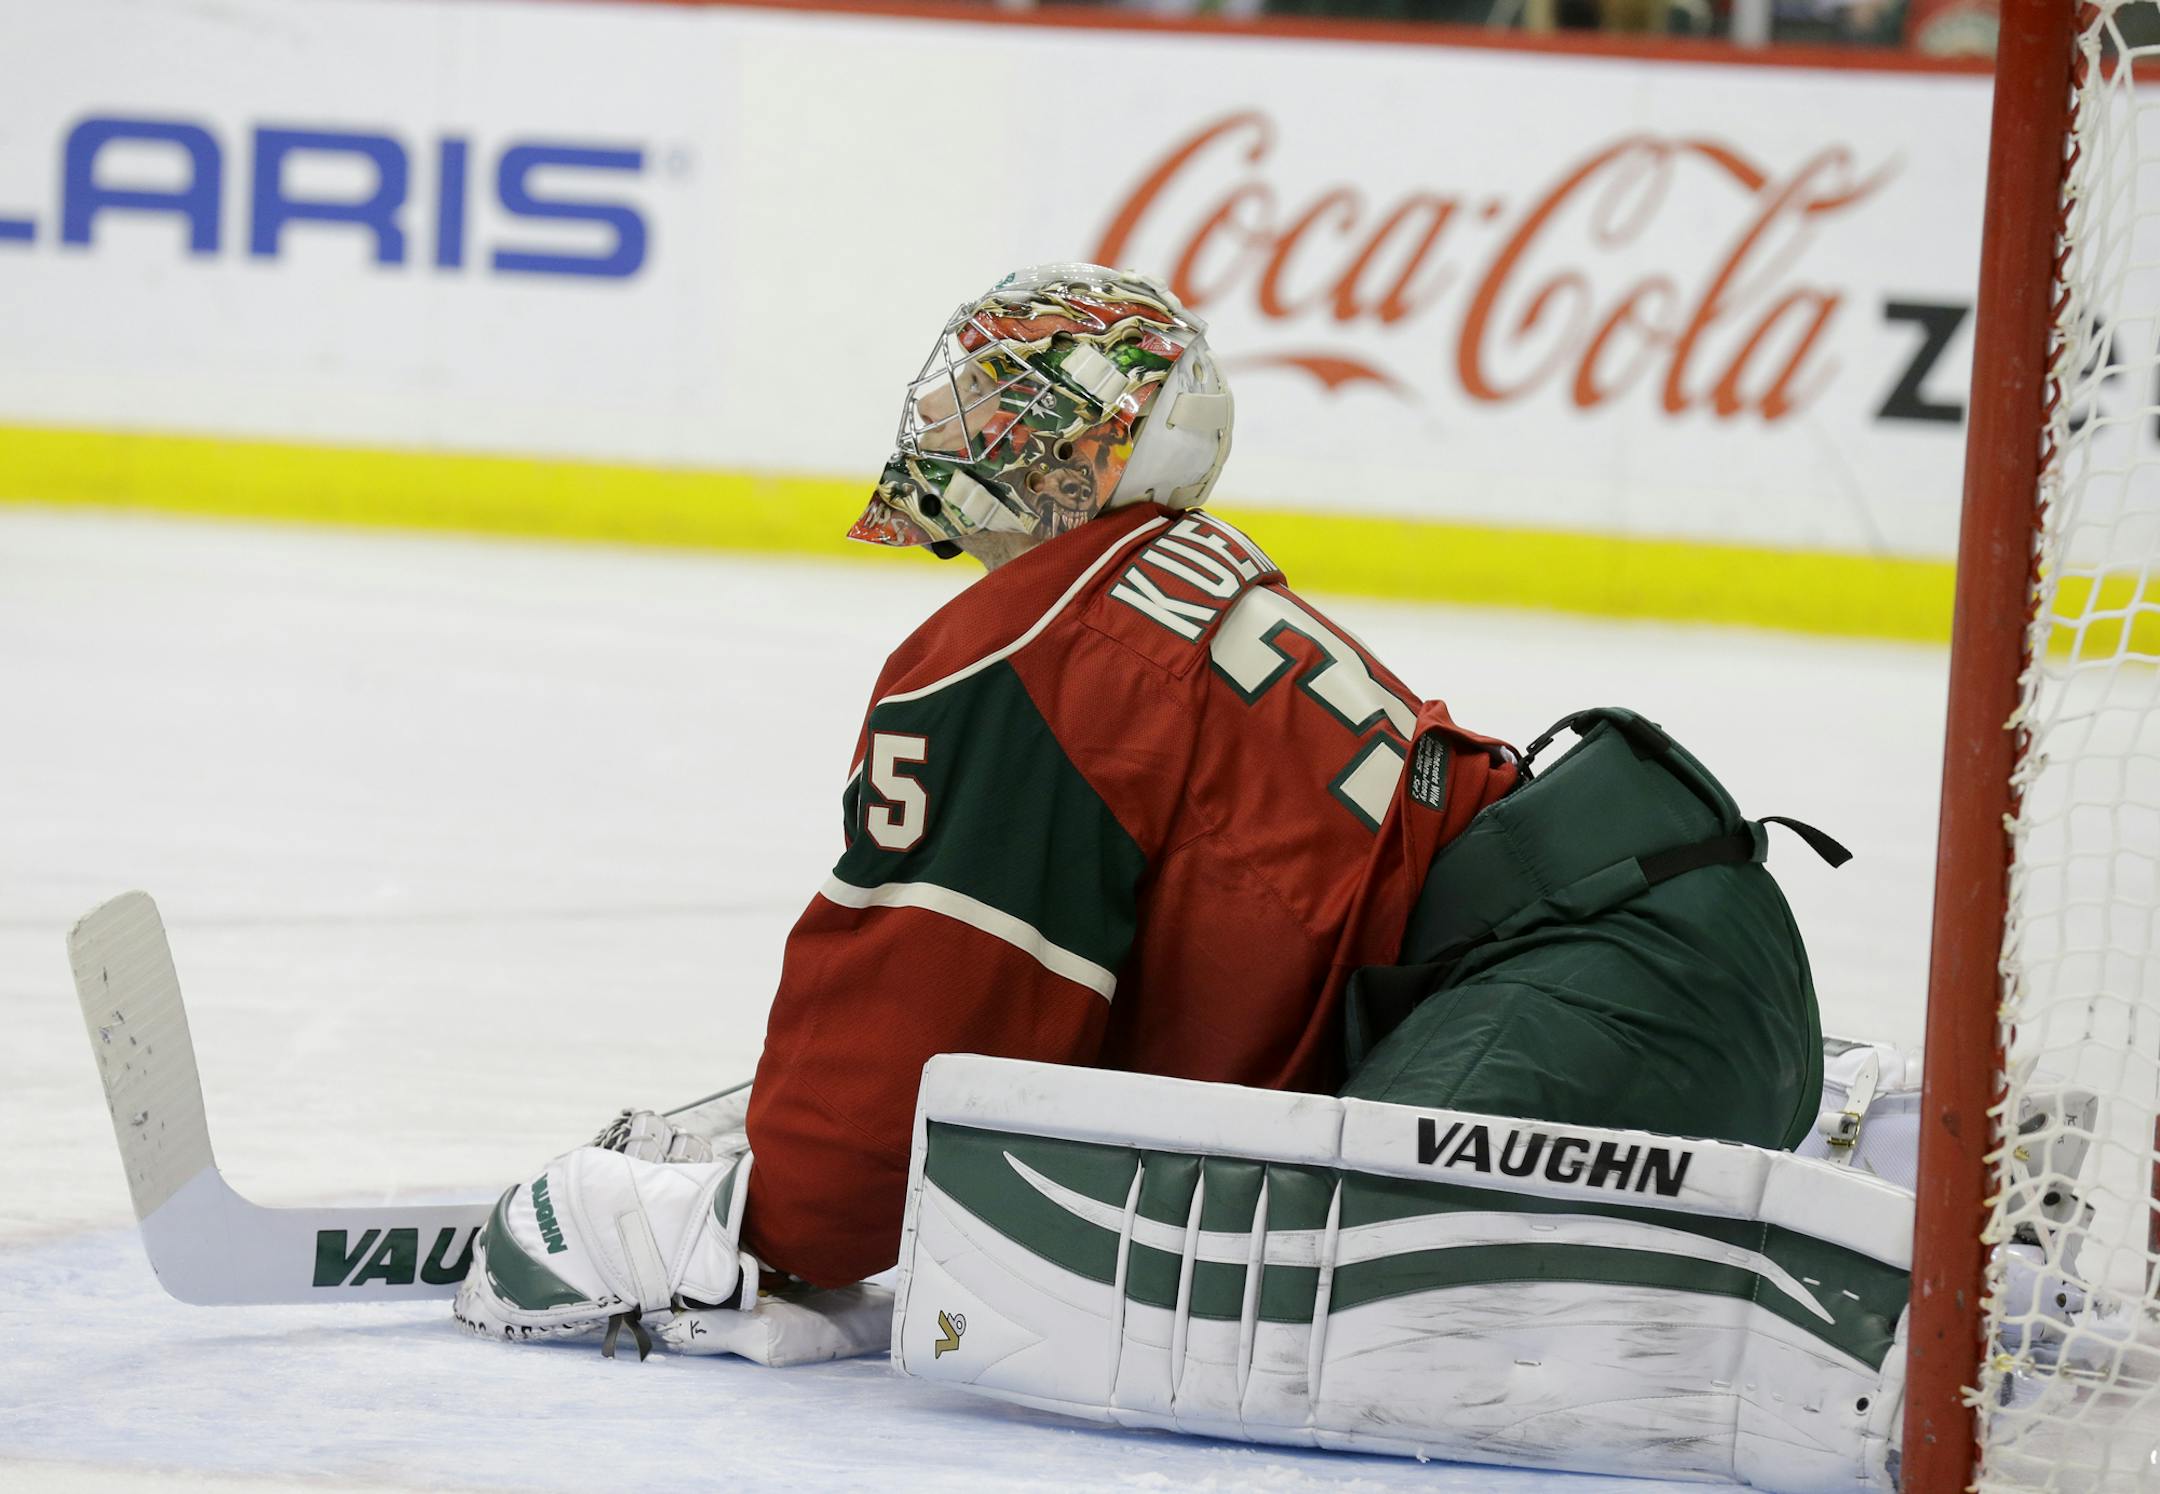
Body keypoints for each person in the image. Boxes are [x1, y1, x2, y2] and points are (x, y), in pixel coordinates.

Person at [450, 264, 1832, 1361]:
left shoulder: (1019, 650)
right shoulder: (1163, 576)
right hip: (1665, 956)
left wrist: (741, 1222)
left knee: (1289, 1322)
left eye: (998, 401)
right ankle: (1824, 1118)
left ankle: (1834, 1194)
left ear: (1088, 444)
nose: (949, 423)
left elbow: (907, 1060)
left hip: (1602, 996)